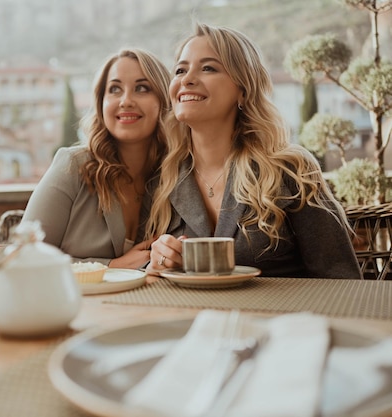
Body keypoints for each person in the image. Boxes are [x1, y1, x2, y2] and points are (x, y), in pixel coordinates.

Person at [144, 22, 361, 279]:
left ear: (243, 91)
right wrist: (155, 266)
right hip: (195, 319)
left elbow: (341, 277)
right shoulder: (163, 180)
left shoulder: (291, 169)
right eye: (180, 70)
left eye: (208, 68)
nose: (187, 79)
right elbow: (150, 281)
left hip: (284, 317)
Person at [22, 48, 171, 269]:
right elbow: (23, 256)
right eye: (115, 89)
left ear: (164, 99)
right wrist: (110, 266)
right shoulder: (72, 165)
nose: (126, 101)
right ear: (101, 104)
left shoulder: (174, 176)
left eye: (141, 88)